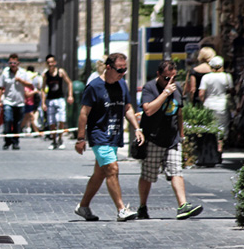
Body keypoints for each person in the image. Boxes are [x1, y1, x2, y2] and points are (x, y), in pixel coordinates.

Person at [74, 53, 143, 222]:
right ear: (108, 68)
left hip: (114, 135)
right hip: (99, 135)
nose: (123, 73)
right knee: (112, 169)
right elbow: (84, 113)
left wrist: (137, 128)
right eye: (120, 70)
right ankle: (121, 209)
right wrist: (80, 138)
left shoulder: (121, 85)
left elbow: (127, 107)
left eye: (125, 69)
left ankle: (83, 206)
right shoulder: (94, 86)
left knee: (99, 174)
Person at [137, 60, 203, 220]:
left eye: (173, 77)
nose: (170, 81)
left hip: (172, 138)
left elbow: (179, 112)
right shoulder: (150, 88)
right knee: (148, 175)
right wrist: (165, 92)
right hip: (154, 137)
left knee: (176, 171)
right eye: (166, 78)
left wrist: (181, 134)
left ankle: (183, 205)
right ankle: (142, 206)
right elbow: (148, 110)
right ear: (158, 75)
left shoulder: (177, 87)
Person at [0, 54, 33, 150]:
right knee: (8, 120)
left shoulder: (23, 73)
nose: (12, 65)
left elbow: (30, 85)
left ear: (18, 63)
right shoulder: (5, 73)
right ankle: (7, 141)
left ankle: (15, 142)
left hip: (20, 102)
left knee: (17, 124)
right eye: (10, 63)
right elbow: (1, 88)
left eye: (14, 63)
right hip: (8, 102)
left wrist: (21, 81)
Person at [199, 56, 233, 152]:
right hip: (222, 105)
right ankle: (220, 146)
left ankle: (211, 147)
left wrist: (204, 101)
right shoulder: (227, 76)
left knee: (210, 126)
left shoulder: (206, 77)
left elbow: (201, 93)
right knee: (222, 126)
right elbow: (231, 91)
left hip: (209, 104)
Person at [42, 54, 74, 150]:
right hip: (50, 100)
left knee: (61, 120)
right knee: (52, 121)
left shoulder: (60, 72)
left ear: (55, 62)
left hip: (60, 98)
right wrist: (43, 103)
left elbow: (69, 83)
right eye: (48, 63)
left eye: (52, 62)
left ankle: (60, 139)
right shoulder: (46, 75)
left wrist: (70, 95)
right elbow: (43, 89)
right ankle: (54, 140)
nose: (50, 64)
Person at [21, 65, 42, 134]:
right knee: (31, 117)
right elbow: (27, 94)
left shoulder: (25, 77)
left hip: (30, 101)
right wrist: (35, 91)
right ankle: (36, 131)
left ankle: (20, 129)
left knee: (27, 117)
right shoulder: (34, 77)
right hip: (29, 102)